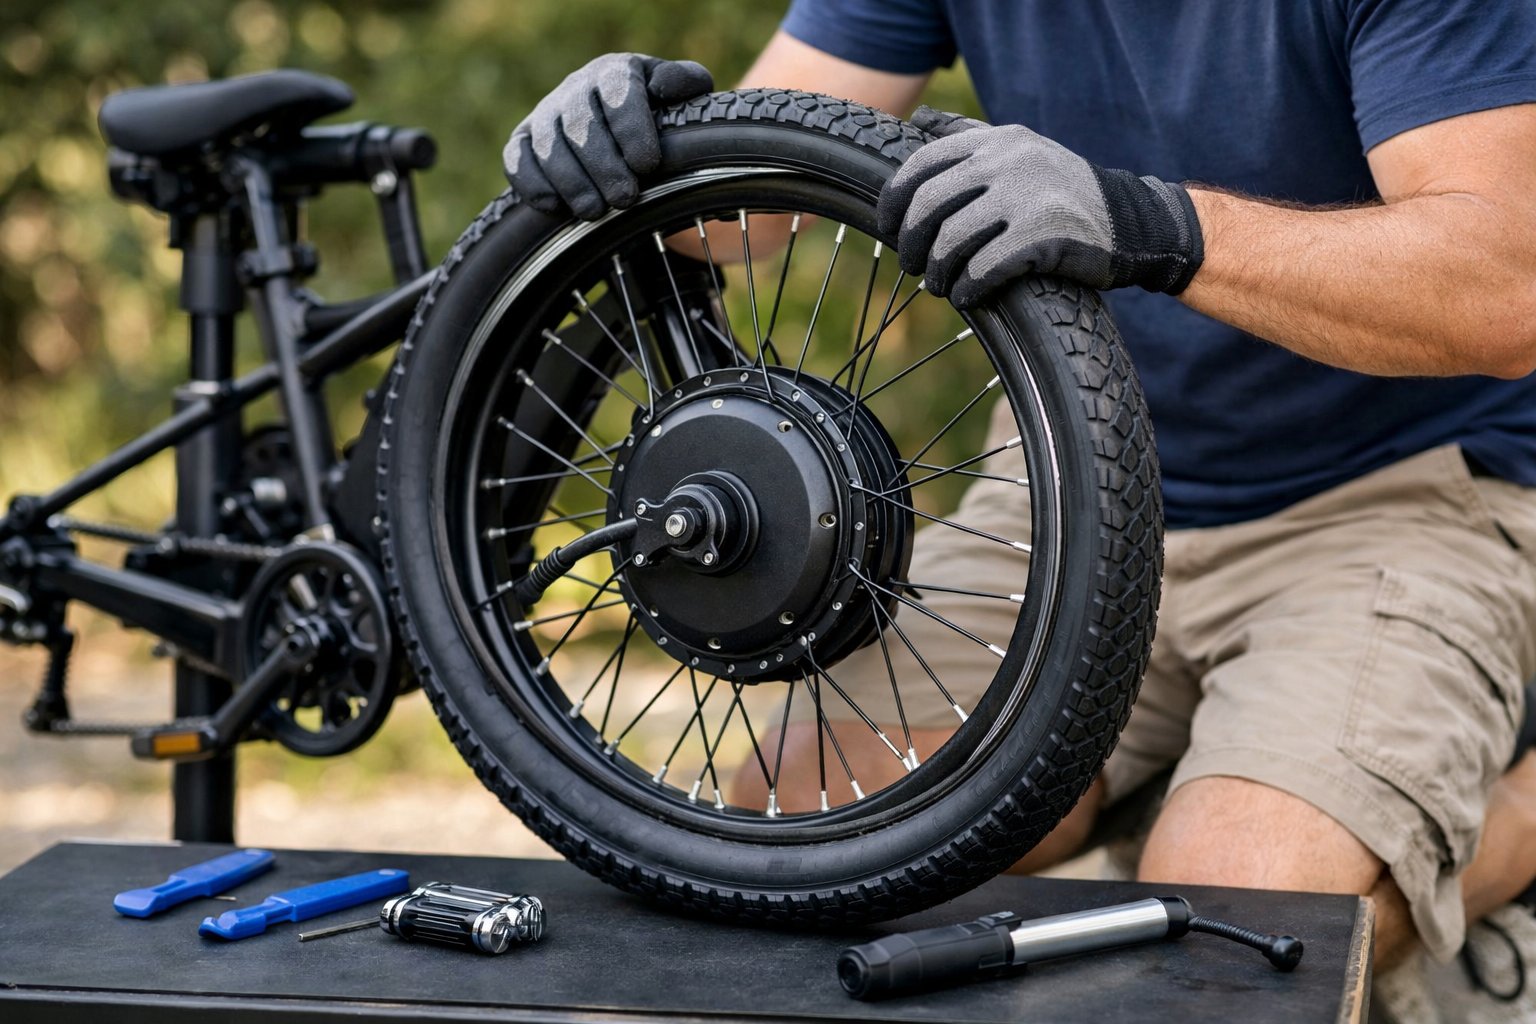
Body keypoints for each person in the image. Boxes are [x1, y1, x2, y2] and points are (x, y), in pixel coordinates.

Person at [502, 0, 1536, 984]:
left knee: (1236, 929)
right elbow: (744, 208)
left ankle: (1512, 827)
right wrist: (631, 137)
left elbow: (1506, 285)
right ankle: (1143, 772)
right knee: (803, 827)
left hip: (1398, 491)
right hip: (1081, 467)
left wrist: (1148, 220)